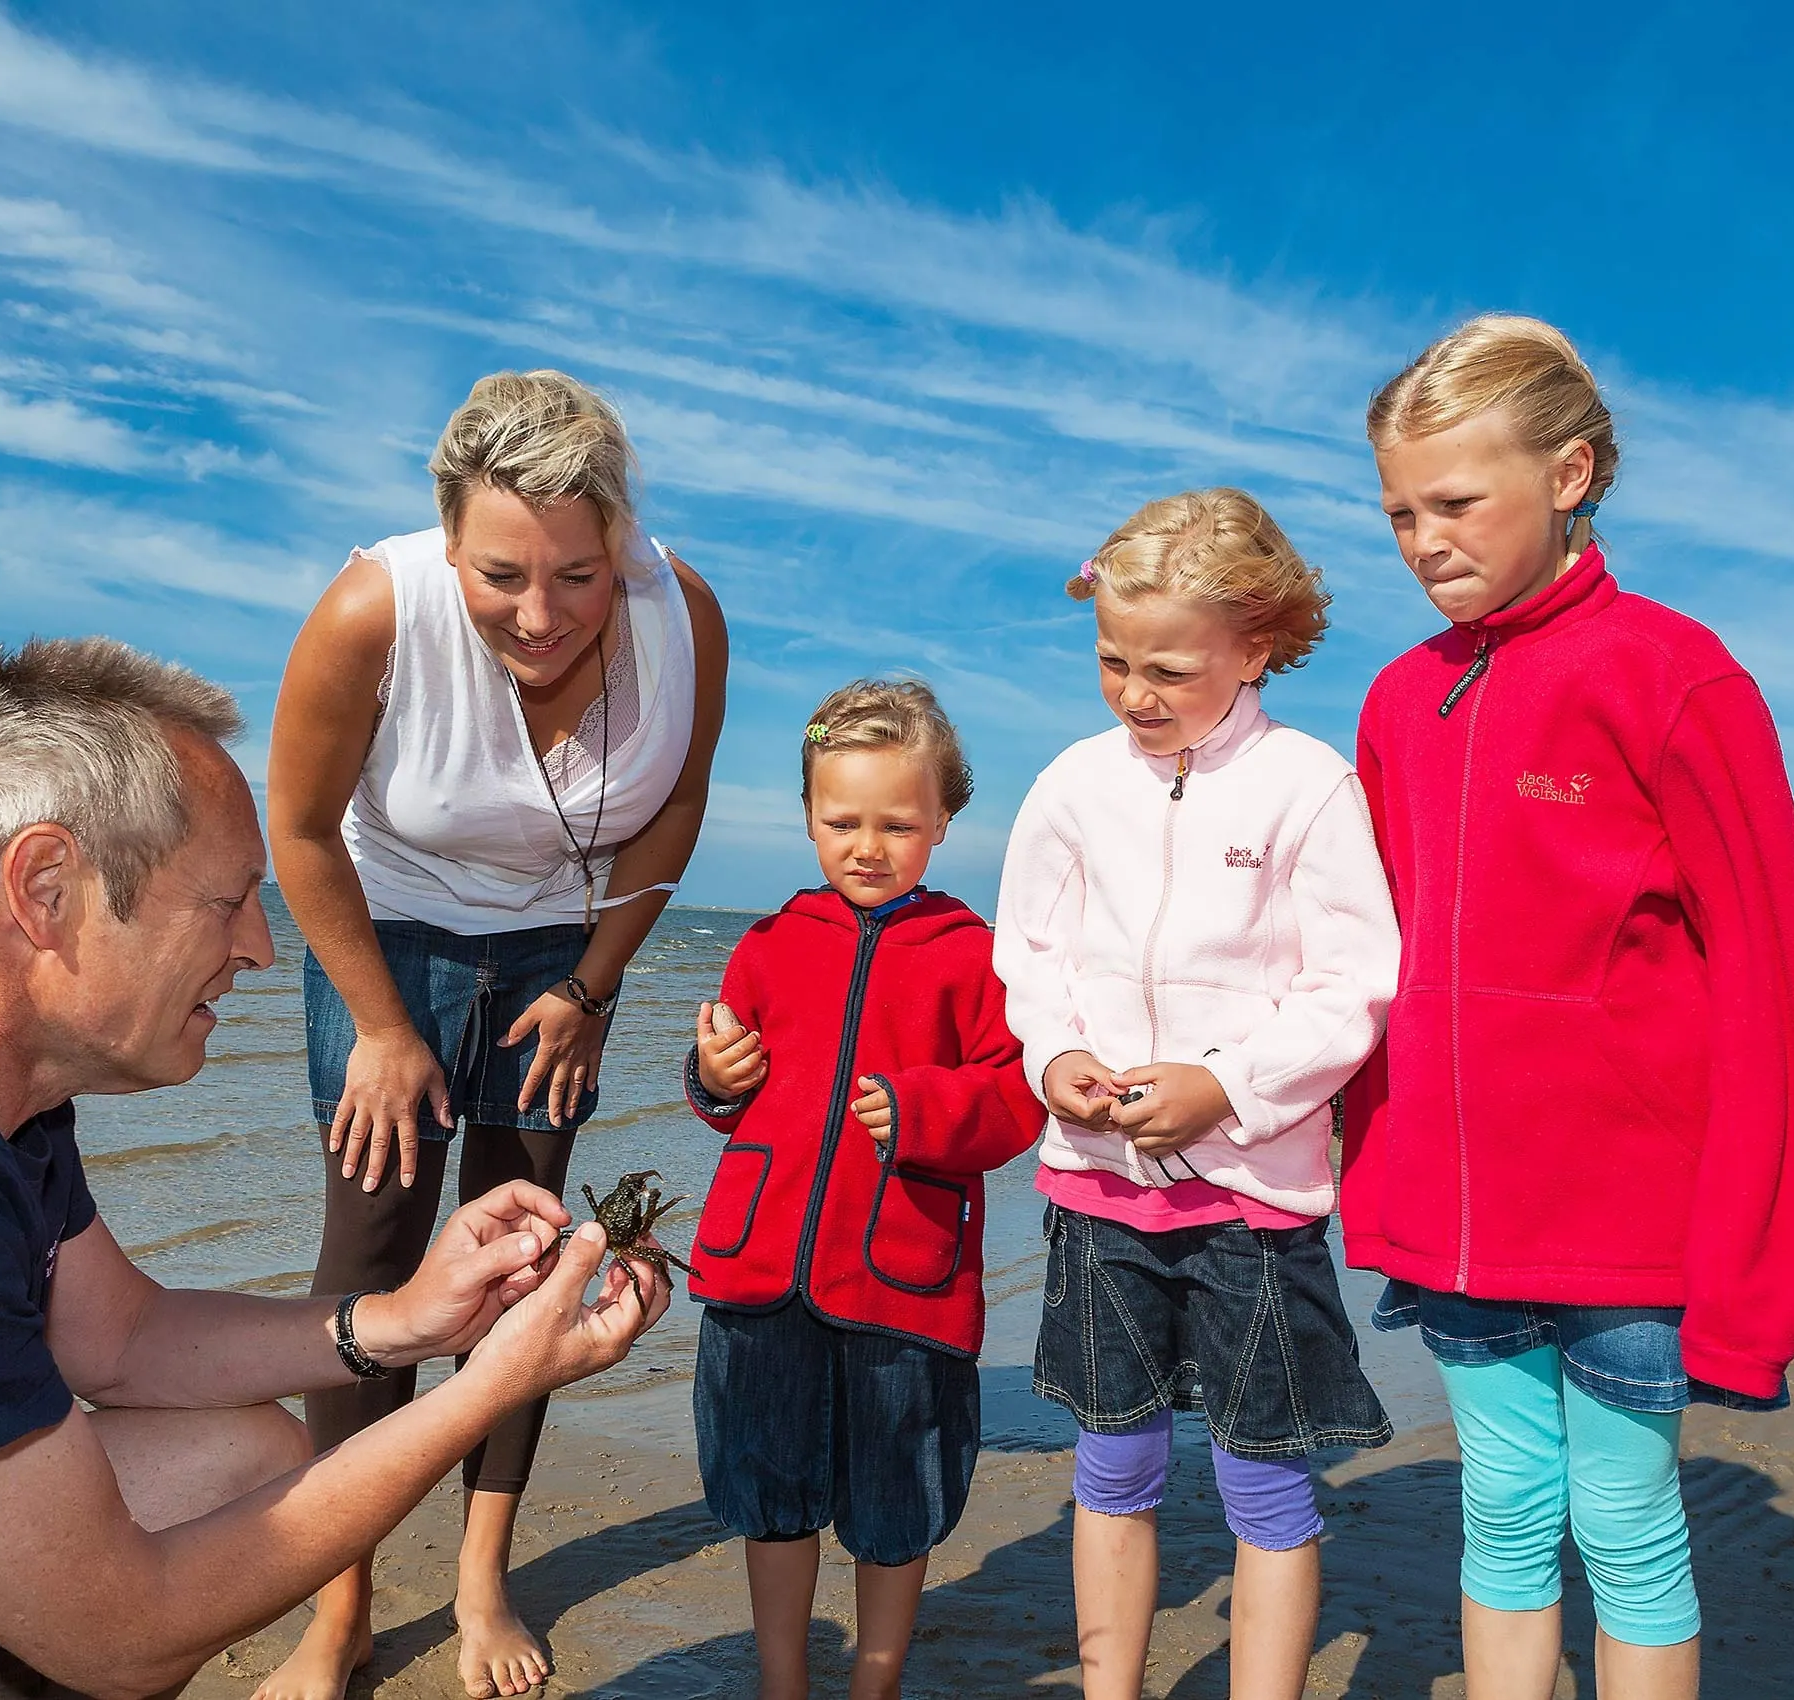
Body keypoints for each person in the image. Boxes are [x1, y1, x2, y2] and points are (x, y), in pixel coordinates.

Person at [0, 638, 670, 1700]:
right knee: (156, 1579)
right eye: (227, 899)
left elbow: (122, 1339)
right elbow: (127, 1637)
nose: (259, 946)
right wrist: (492, 1385)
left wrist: (411, 1321)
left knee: (249, 1451)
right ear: (46, 886)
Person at [1341, 314, 1794, 1700]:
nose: (1422, 538)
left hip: (1633, 1232)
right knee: (1498, 1515)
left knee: (1623, 1526)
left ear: (1568, 474)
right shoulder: (1396, 702)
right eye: (1395, 511)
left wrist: (1753, 1274)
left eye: (1454, 501)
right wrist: (1357, 1172)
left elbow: (1773, 992)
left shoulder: (1675, 676)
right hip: (1454, 1226)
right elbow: (1361, 964)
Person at [263, 368, 727, 1700]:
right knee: (372, 1263)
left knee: (525, 1255)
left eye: (578, 576)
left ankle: (481, 1576)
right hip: (384, 935)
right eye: (501, 574)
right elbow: (297, 832)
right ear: (446, 537)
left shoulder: (682, 614)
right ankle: (335, 1603)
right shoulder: (373, 608)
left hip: (558, 958)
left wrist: (590, 988)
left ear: (621, 541)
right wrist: (378, 1024)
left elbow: (673, 813)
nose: (540, 615)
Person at [992, 489, 1402, 1700]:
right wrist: (1053, 1057)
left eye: (1168, 666)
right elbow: (1032, 960)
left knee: (1265, 1476)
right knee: (1111, 1462)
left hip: (1254, 1204)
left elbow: (1354, 986)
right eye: (1114, 660)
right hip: (1097, 1188)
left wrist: (1224, 1085)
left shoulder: (1307, 785)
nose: (1134, 691)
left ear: (1255, 647)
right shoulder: (1073, 784)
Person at [685, 680, 1044, 1700]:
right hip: (761, 1274)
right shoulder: (767, 940)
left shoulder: (972, 955)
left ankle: (874, 1682)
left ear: (942, 819)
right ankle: (783, 1681)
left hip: (903, 1280)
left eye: (898, 820)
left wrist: (928, 1109)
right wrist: (713, 1075)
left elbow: (1015, 1096)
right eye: (843, 820)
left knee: (899, 1496)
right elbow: (726, 1086)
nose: (869, 843)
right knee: (770, 1490)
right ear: (806, 815)